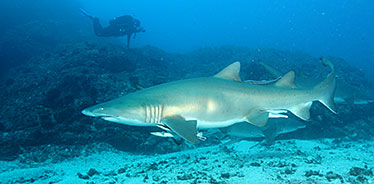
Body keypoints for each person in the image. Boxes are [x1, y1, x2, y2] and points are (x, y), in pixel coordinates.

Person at [80, 8, 145, 49]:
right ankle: (95, 19)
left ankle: (95, 19)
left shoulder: (131, 29)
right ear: (135, 23)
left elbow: (129, 35)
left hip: (114, 32)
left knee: (100, 33)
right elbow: (129, 33)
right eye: (136, 25)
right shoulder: (130, 25)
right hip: (114, 28)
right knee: (99, 33)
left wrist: (128, 45)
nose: (135, 26)